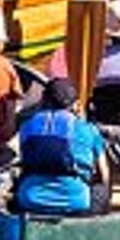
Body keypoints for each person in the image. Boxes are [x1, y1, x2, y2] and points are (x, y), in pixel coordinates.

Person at [10, 75, 112, 218]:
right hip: (77, 204)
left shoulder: (27, 127)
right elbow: (104, 175)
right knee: (104, 191)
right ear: (76, 104)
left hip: (30, 201)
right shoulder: (89, 130)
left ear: (43, 101)